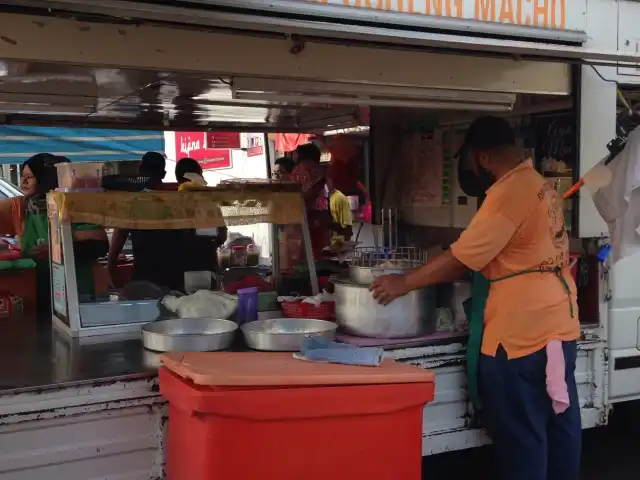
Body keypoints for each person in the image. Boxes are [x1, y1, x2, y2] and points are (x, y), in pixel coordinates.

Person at [370, 116, 581, 480]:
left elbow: (460, 260)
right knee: (558, 428)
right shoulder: (539, 185)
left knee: (522, 440)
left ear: (482, 158)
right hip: (560, 325)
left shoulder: (506, 194)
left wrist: (403, 283)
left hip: (520, 337)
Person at [0, 153, 108, 310]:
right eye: (22, 176)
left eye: (30, 177)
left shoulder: (75, 204)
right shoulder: (20, 207)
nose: (23, 181)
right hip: (42, 286)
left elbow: (99, 246)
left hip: (78, 285)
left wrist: (56, 250)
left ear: (47, 178)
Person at [292, 143, 330, 257]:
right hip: (313, 220)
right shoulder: (315, 170)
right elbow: (312, 194)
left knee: (301, 255)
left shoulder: (295, 171)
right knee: (317, 254)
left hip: (297, 220)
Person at [326, 177, 353, 246]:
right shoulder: (322, 198)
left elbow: (347, 228)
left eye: (326, 181)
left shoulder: (340, 198)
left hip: (336, 245)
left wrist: (343, 250)